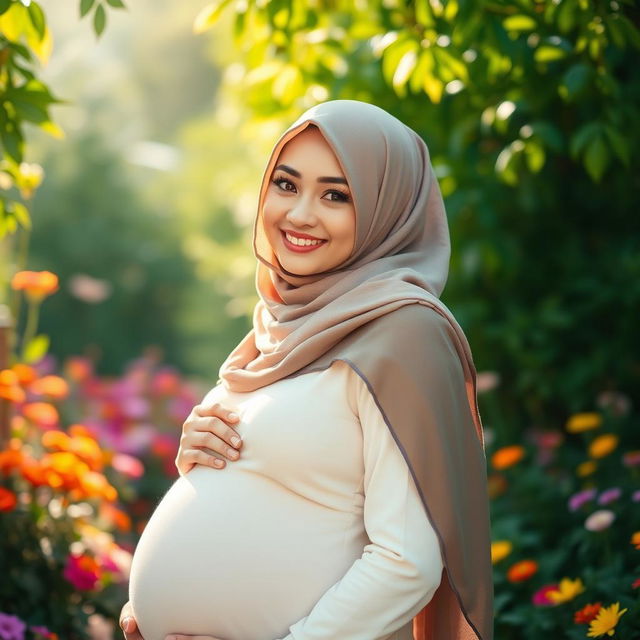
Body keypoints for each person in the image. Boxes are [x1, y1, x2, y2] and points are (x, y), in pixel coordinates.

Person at [120, 99, 493, 640]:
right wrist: (198, 461)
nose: (298, 215)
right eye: (287, 184)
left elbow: (408, 560)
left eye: (336, 195)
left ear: (387, 210)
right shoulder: (281, 327)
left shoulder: (405, 334)